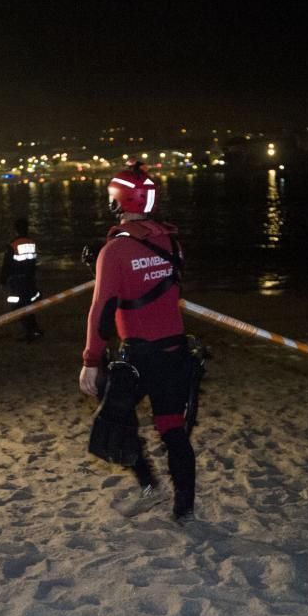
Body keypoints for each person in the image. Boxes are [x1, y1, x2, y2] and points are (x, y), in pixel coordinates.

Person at [79, 160, 197, 524]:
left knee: (119, 422)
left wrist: (90, 359)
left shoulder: (114, 251)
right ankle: (184, 509)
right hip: (175, 351)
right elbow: (152, 285)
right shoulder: (173, 242)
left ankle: (149, 486)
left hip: (139, 356)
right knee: (172, 427)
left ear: (118, 201)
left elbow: (102, 311)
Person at [0, 217, 43, 342]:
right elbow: (34, 262)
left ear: (16, 230)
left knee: (18, 307)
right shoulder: (32, 243)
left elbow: (7, 264)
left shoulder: (13, 245)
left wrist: (2, 281)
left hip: (17, 281)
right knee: (28, 305)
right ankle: (34, 329)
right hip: (29, 279)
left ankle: (29, 332)